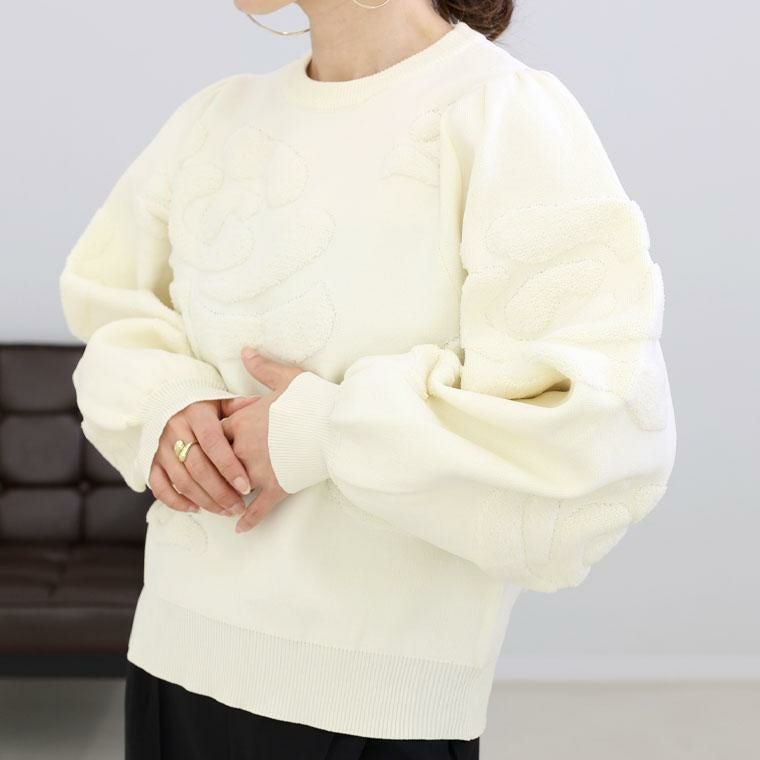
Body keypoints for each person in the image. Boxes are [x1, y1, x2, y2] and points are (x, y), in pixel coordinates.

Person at [58, 0, 678, 758]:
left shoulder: (501, 114)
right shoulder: (214, 120)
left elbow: (600, 428)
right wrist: (167, 402)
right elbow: (112, 305)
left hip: (376, 703)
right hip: (176, 655)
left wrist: (321, 432)